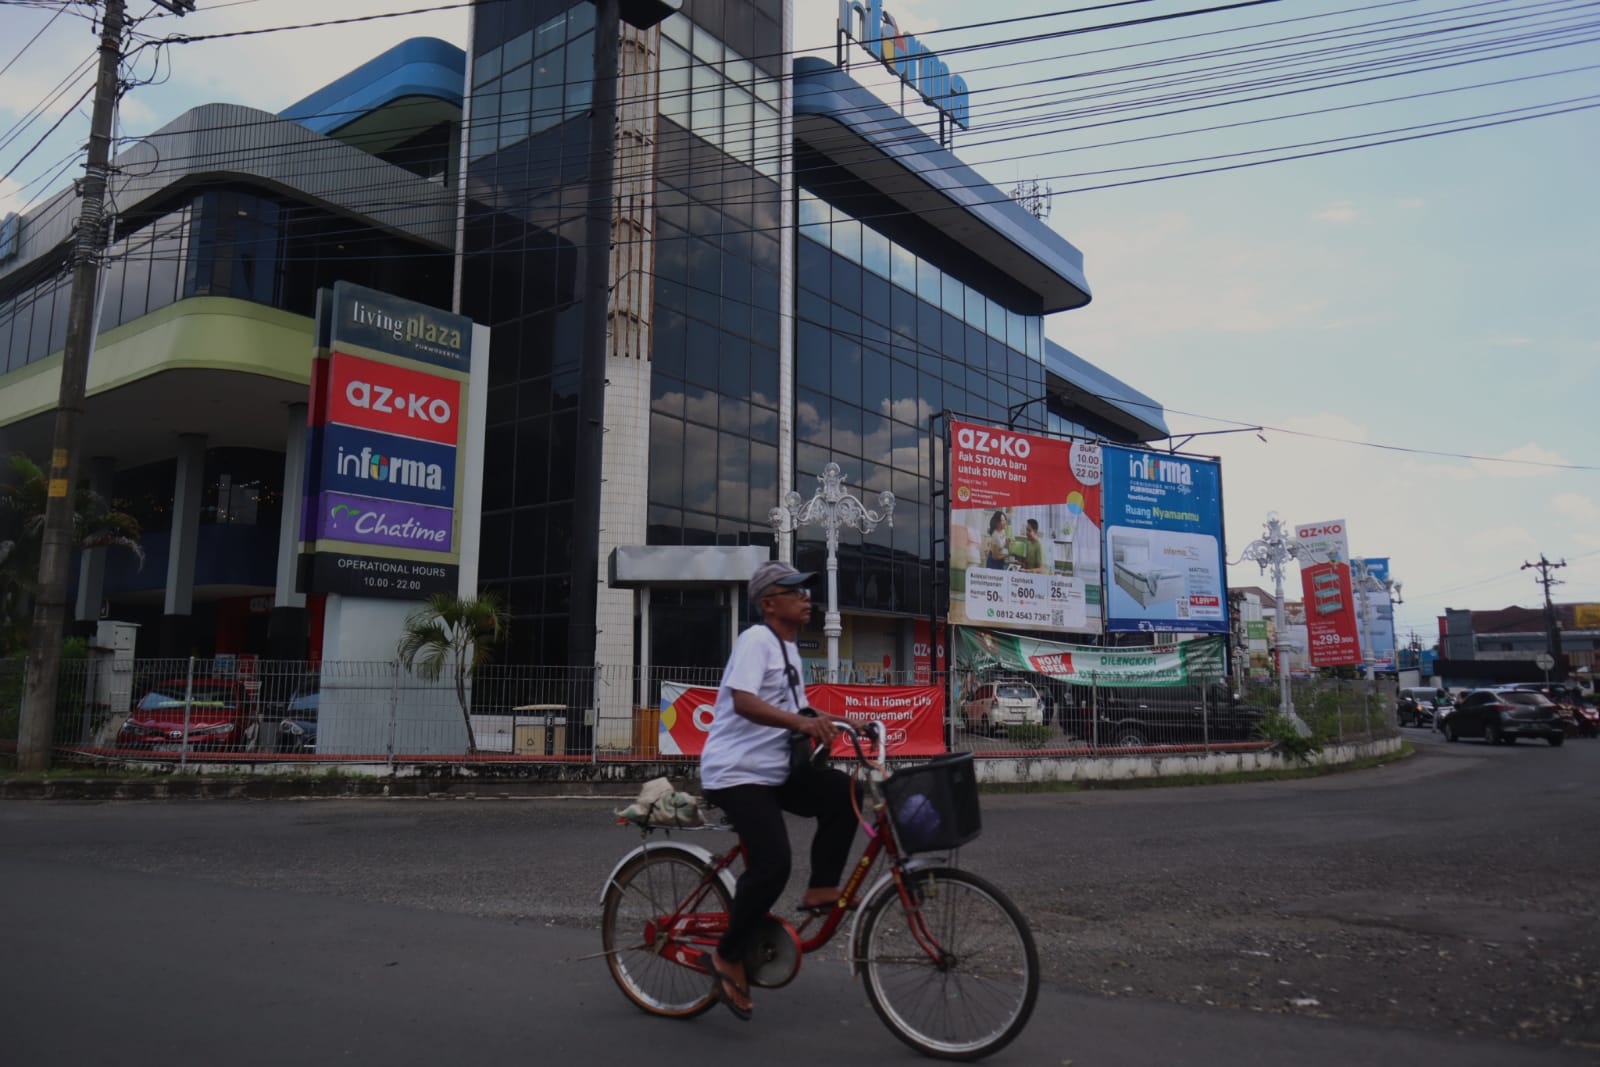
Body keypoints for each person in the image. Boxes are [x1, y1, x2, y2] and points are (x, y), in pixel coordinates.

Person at [699, 560, 859, 1022]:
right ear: (769, 603)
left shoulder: (789, 649)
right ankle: (727, 954)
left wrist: (848, 722)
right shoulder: (756, 640)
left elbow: (798, 710)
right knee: (772, 863)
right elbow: (743, 701)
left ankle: (822, 887)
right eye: (796, 591)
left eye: (806, 591)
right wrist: (803, 723)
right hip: (737, 773)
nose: (807, 598)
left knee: (844, 793)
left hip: (774, 770)